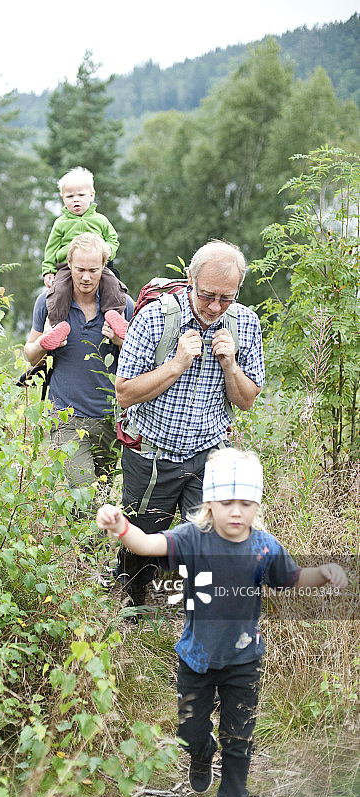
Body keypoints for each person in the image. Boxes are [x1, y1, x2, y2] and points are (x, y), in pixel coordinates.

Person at [96, 448, 348, 797]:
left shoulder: (264, 548)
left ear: (257, 504)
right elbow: (147, 544)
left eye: (246, 503)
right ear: (209, 501)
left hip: (243, 660)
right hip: (195, 657)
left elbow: (293, 578)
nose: (236, 511)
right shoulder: (192, 538)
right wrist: (121, 525)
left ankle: (233, 791)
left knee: (239, 736)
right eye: (227, 501)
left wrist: (322, 574)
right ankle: (201, 753)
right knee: (189, 731)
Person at [112, 239, 266, 607]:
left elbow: (246, 400)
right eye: (207, 295)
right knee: (143, 539)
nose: (215, 307)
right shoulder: (155, 318)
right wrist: (177, 364)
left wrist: (231, 366)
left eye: (226, 298)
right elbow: (124, 393)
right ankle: (132, 600)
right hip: (153, 453)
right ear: (189, 279)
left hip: (209, 454)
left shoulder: (244, 322)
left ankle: (201, 613)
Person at [25, 232, 134, 506]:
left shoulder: (123, 306)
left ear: (104, 268)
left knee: (102, 495)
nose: (86, 277)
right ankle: (88, 547)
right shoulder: (48, 303)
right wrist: (44, 343)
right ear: (69, 266)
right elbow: (29, 355)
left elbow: (140, 364)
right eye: (80, 270)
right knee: (84, 492)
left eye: (93, 271)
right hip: (65, 416)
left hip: (110, 416)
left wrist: (121, 341)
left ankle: (92, 549)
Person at [41, 166, 128, 339]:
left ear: (91, 195)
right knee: (59, 291)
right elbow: (51, 248)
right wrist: (48, 270)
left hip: (97, 264)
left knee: (113, 285)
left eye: (81, 195)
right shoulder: (61, 223)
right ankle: (56, 326)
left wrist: (108, 251)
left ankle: (114, 317)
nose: (76, 200)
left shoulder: (100, 220)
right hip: (68, 266)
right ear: (63, 198)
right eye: (70, 196)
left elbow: (113, 239)